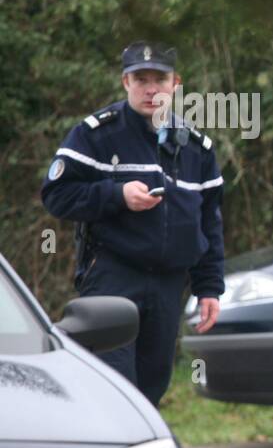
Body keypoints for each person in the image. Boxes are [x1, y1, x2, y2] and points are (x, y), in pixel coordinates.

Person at [40, 42, 225, 406]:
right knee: (113, 384)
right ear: (126, 82)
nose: (151, 88)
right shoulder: (96, 134)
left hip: (169, 283)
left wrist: (209, 288)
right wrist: (117, 196)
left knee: (152, 386)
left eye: (160, 79)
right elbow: (56, 196)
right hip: (112, 276)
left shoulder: (197, 148)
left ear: (176, 84)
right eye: (141, 79)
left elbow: (209, 222)